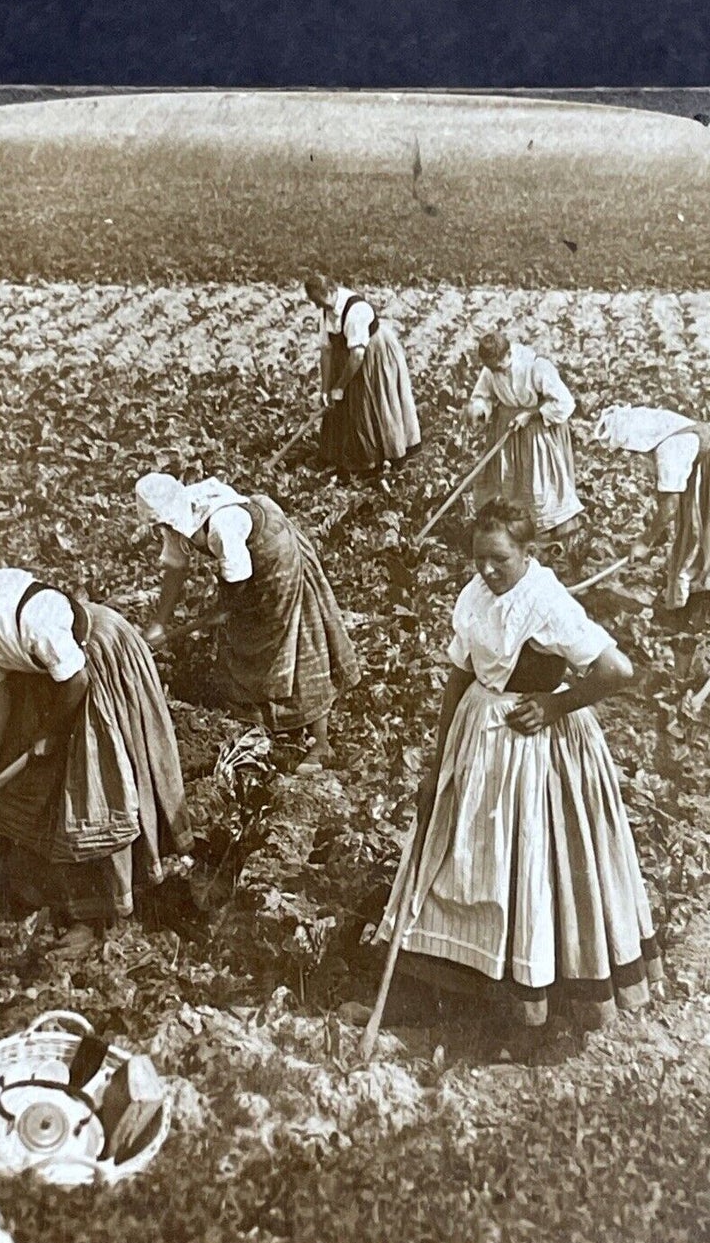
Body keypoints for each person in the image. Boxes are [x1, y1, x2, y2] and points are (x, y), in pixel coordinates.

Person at [375, 499, 662, 1053]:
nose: (487, 570)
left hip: (533, 751)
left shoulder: (546, 602)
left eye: (500, 559)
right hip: (476, 739)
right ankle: (447, 990)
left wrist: (557, 707)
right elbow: (459, 675)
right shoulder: (477, 594)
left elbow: (616, 670)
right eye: (479, 558)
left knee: (528, 866)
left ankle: (531, 1019)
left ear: (529, 553)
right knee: (458, 859)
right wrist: (438, 764)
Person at [0, 565, 191, 956]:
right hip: (44, 680)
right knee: (24, 789)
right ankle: (45, 892)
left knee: (92, 795)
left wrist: (51, 735)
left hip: (92, 664)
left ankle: (96, 919)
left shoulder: (32, 616)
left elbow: (77, 680)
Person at [135, 472, 360, 773]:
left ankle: (321, 745)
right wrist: (160, 623)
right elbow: (175, 567)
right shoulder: (176, 522)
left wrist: (223, 611)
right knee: (245, 643)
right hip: (244, 563)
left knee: (293, 640)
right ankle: (271, 722)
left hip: (273, 554)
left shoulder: (220, 525)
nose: (159, 530)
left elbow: (236, 581)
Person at [593, 404, 710, 680]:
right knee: (697, 539)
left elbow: (669, 508)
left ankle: (692, 624)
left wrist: (644, 542)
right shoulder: (654, 422)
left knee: (699, 548)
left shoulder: (669, 451)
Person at [468, 332, 582, 540]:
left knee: (539, 480)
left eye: (499, 368)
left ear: (509, 354)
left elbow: (565, 402)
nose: (496, 373)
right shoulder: (491, 369)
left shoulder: (537, 367)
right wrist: (479, 409)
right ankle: (512, 527)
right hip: (506, 430)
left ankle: (547, 531)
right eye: (492, 369)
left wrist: (532, 414)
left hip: (536, 430)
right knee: (506, 480)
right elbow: (482, 395)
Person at [302, 275, 421, 475]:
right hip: (348, 354)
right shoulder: (326, 312)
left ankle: (374, 459)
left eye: (319, 301)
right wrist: (326, 388)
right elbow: (326, 351)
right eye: (314, 302)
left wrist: (339, 386)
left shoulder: (355, 310)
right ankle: (333, 455)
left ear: (331, 291)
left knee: (368, 402)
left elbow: (358, 355)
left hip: (373, 353)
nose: (317, 307)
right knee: (337, 404)